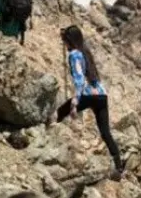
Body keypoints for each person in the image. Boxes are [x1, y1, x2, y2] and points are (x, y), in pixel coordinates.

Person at [49, 25, 124, 178]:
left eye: (65, 40)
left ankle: (49, 141)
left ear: (69, 40)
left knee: (61, 112)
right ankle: (118, 165)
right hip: (101, 95)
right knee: (105, 132)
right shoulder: (85, 51)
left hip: (87, 94)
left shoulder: (74, 55)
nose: (64, 43)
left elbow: (79, 79)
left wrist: (75, 102)